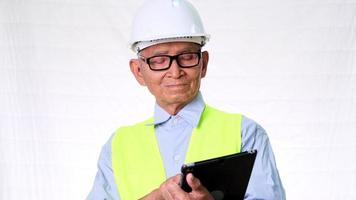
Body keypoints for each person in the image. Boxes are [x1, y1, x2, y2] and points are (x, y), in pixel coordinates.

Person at [87, 0, 285, 199]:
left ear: (204, 64)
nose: (175, 71)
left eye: (187, 57)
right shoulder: (118, 146)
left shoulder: (245, 134)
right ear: (138, 71)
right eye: (159, 60)